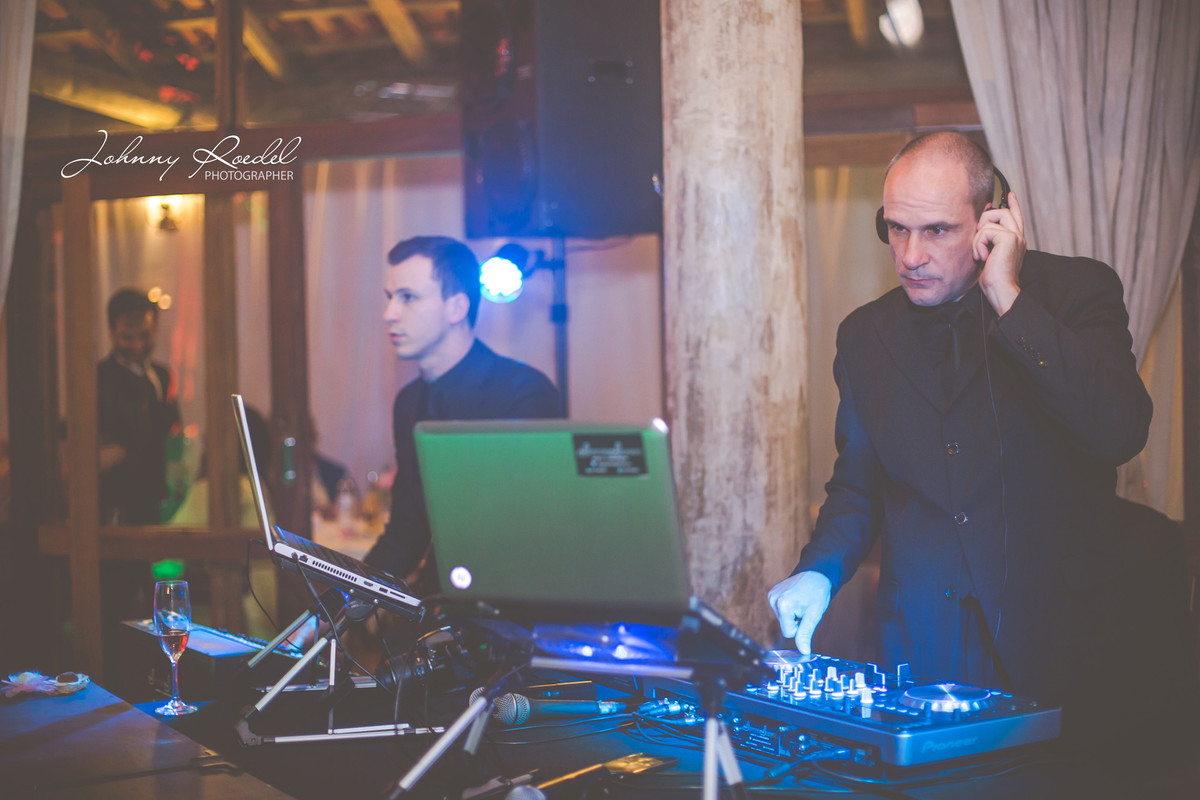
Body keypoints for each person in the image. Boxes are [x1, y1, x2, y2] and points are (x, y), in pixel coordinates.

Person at [768, 132, 1153, 709]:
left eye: (937, 231)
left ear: (990, 221)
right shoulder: (864, 335)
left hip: (1058, 649)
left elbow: (1118, 430)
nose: (909, 256)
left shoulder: (1076, 291)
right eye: (896, 229)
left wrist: (1009, 298)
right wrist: (818, 572)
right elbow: (859, 486)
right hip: (919, 649)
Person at [365, 236, 561, 591]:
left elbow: (529, 534)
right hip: (443, 604)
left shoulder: (523, 392)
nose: (389, 314)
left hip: (509, 609)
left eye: (408, 297)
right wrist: (334, 605)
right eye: (390, 297)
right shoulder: (409, 402)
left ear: (456, 308)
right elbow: (407, 532)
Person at [98, 288, 182, 525]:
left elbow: (173, 431)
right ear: (111, 331)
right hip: (116, 504)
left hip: (158, 501)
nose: (137, 345)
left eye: (144, 335)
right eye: (127, 337)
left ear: (156, 329)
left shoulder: (162, 376)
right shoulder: (99, 379)